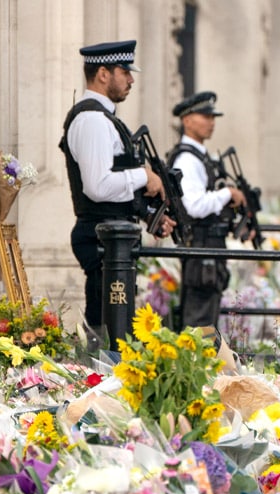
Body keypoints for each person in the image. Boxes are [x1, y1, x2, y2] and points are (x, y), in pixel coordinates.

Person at [59, 40, 172, 332]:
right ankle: (99, 376)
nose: (131, 79)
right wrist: (144, 176)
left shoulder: (104, 118)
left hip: (112, 239)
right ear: (103, 74)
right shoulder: (92, 119)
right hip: (101, 239)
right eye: (125, 71)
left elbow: (115, 183)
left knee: (114, 330)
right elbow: (97, 186)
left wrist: (150, 215)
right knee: (107, 333)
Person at [166, 91, 246, 329]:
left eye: (213, 117)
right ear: (186, 120)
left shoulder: (200, 156)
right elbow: (194, 206)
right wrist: (228, 194)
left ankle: (203, 363)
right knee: (199, 319)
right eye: (204, 116)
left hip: (208, 246)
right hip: (201, 247)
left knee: (207, 315)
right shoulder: (187, 160)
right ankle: (195, 364)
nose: (211, 122)